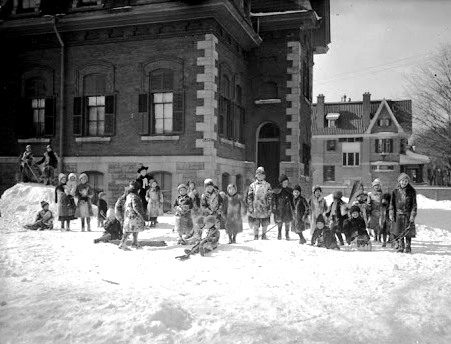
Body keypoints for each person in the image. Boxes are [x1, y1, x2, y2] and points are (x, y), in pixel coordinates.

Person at [389, 173, 417, 253]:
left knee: (408, 231)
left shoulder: (412, 191)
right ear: (399, 181)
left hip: (408, 214)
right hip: (398, 214)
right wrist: (391, 213)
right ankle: (401, 246)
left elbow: (414, 205)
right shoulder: (395, 191)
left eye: (406, 181)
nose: (404, 183)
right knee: (399, 232)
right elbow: (392, 204)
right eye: (402, 181)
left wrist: (412, 215)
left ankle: (408, 246)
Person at [247, 167, 272, 240]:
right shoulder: (252, 185)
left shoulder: (268, 185)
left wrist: (269, 207)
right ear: (256, 175)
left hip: (264, 207)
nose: (260, 176)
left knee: (265, 222)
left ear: (264, 176)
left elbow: (270, 197)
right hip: (256, 207)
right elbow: (249, 197)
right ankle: (256, 235)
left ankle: (264, 234)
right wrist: (250, 207)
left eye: (262, 174)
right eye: (258, 174)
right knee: (256, 223)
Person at [119, 180, 146, 250]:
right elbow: (136, 207)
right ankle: (122, 244)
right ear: (138, 190)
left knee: (133, 229)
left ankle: (135, 242)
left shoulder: (129, 195)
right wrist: (142, 215)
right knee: (129, 230)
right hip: (134, 216)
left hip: (128, 215)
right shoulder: (135, 197)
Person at [272, 174, 294, 240]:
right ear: (281, 183)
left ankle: (287, 234)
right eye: (284, 182)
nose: (286, 183)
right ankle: (279, 233)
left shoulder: (289, 190)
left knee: (287, 222)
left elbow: (292, 200)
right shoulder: (277, 190)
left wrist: (293, 207)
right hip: (279, 209)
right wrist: (274, 207)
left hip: (287, 209)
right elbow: (274, 200)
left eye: (287, 182)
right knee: (279, 221)